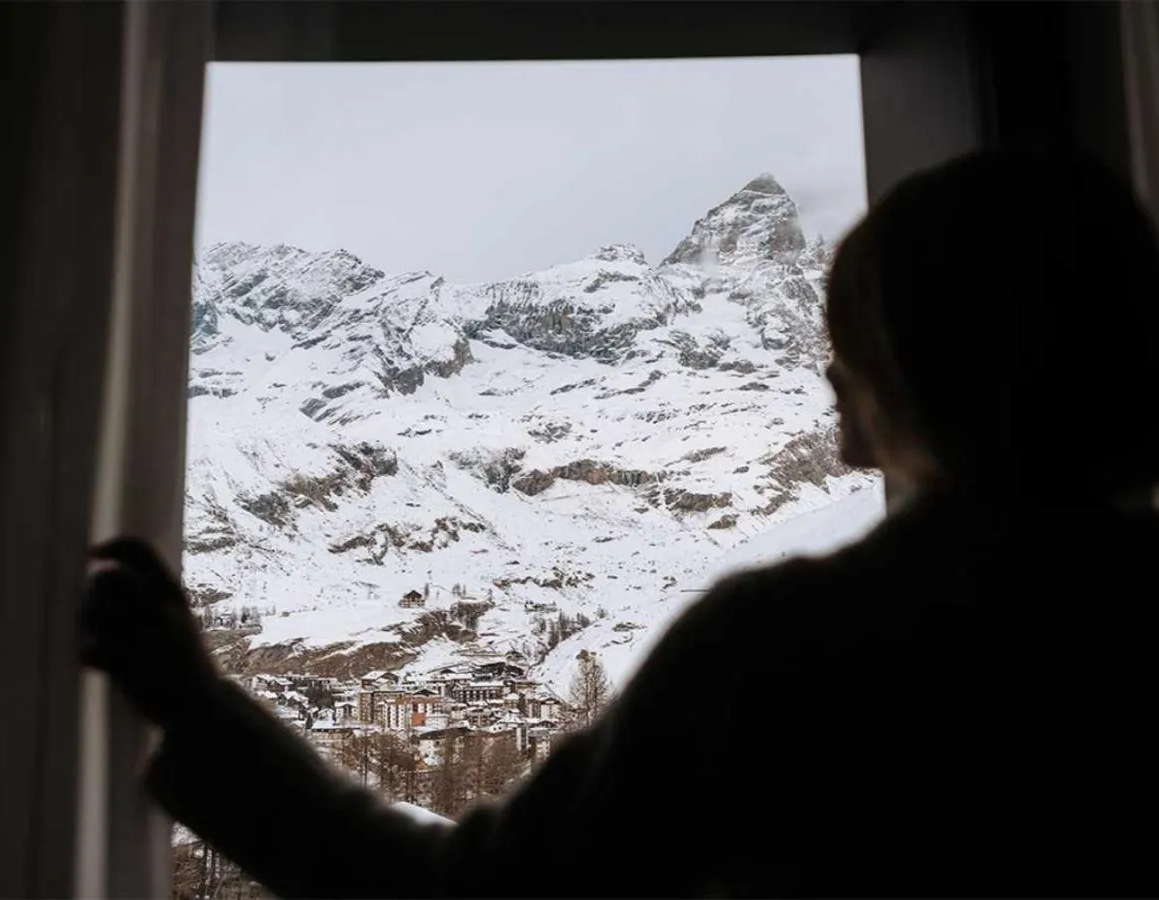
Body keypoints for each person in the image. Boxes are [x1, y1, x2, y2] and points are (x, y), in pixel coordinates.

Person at [83, 149, 1159, 898]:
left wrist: (196, 706)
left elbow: (477, 897)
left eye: (848, 371)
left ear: (887, 392)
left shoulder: (783, 651)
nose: (836, 422)